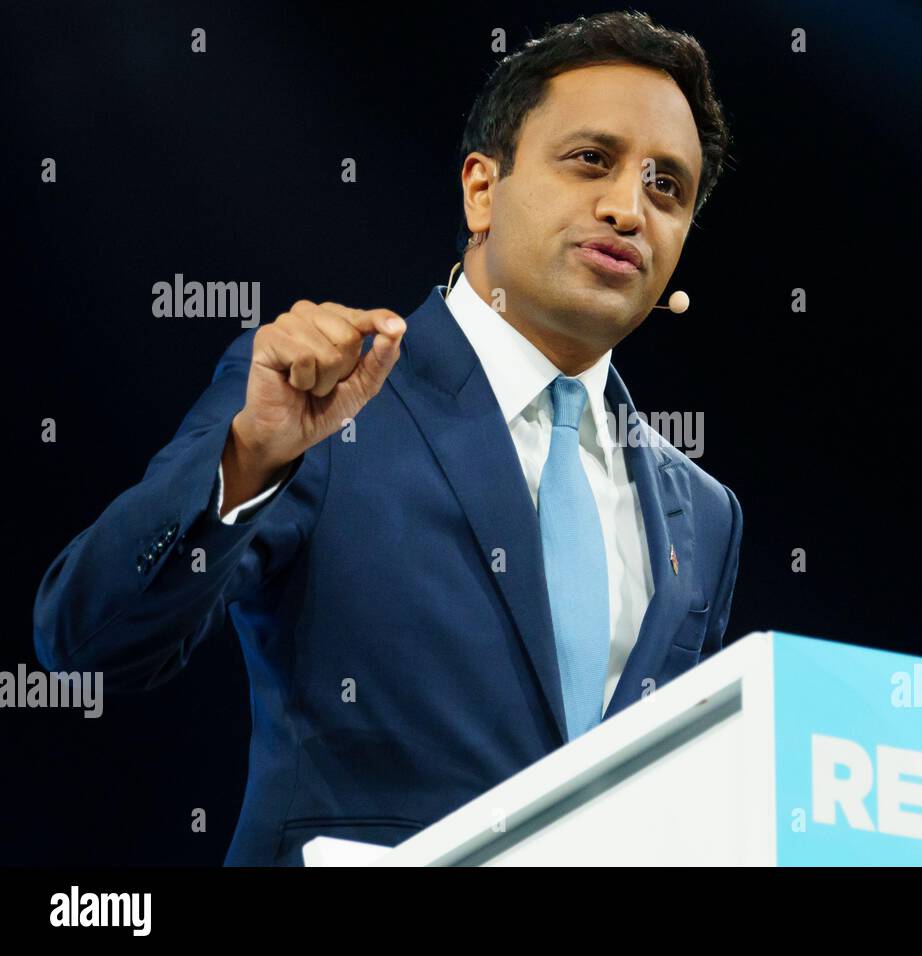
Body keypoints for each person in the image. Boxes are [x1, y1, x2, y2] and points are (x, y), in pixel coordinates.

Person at [32, 10, 742, 866]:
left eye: (668, 188)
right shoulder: (325, 398)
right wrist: (250, 456)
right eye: (592, 160)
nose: (630, 208)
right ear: (482, 189)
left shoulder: (703, 513)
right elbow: (89, 641)